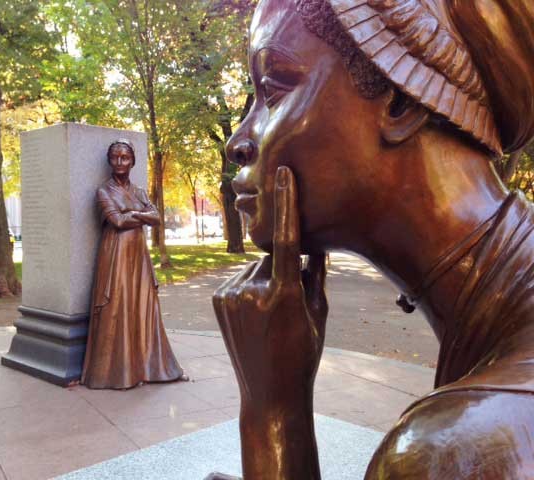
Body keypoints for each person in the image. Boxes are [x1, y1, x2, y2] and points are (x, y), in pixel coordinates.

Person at [208, 0, 534, 478]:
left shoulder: (449, 454)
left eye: (274, 87)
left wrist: (273, 415)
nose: (237, 141)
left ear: (401, 100)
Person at [81, 139, 184, 390]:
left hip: (138, 252)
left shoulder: (139, 192)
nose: (119, 162)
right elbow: (116, 221)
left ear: (132, 161)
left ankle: (146, 364)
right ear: (109, 160)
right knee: (118, 302)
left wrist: (133, 214)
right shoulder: (103, 191)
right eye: (115, 157)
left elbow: (157, 218)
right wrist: (141, 215)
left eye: (125, 158)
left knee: (142, 303)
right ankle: (115, 371)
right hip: (115, 252)